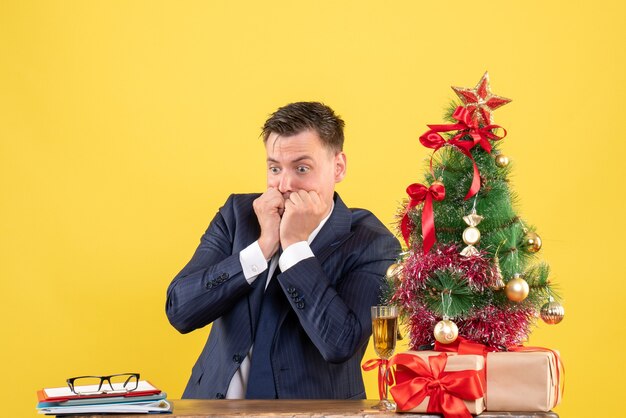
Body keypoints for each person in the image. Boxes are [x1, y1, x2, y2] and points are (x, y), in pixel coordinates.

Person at [165, 101, 401, 400]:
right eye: (274, 168)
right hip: (211, 406)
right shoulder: (238, 215)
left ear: (338, 167)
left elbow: (340, 344)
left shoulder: (372, 242)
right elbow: (180, 311)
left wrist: (296, 247)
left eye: (302, 168)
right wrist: (263, 248)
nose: (285, 184)